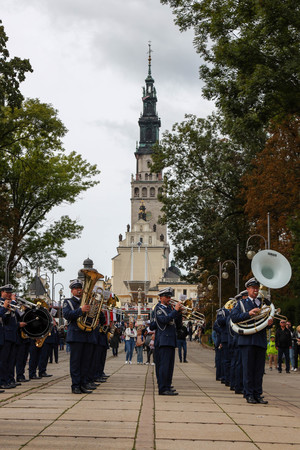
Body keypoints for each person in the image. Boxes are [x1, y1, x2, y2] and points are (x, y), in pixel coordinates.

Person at [231, 277, 273, 404]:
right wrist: (248, 313)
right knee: (248, 369)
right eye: (253, 288)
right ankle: (248, 393)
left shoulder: (263, 304)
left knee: (259, 370)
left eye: (257, 288)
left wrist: (270, 323)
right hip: (247, 341)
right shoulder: (241, 304)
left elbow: (265, 322)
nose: (255, 290)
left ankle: (257, 393)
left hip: (260, 340)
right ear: (247, 289)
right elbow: (234, 317)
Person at [63, 279, 95, 394]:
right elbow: (67, 315)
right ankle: (75, 385)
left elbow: (92, 319)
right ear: (72, 291)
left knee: (86, 362)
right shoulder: (68, 302)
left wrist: (93, 311)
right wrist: (80, 310)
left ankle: (83, 383)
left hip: (87, 335)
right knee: (76, 362)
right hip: (76, 335)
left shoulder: (87, 302)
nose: (79, 290)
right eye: (76, 289)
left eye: (80, 288)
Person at [151, 287, 182, 396]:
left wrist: (179, 313)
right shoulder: (159, 308)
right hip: (163, 340)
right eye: (167, 297)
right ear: (161, 298)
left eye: (170, 297)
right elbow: (164, 320)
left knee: (169, 366)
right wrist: (175, 311)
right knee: (164, 366)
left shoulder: (169, 308)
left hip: (170, 340)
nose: (169, 299)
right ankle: (163, 388)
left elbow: (178, 325)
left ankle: (167, 386)